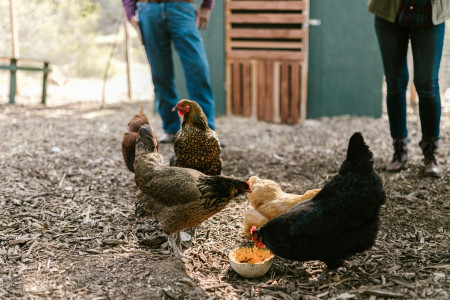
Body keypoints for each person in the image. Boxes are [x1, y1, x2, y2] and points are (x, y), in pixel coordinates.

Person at [368, 0, 450, 177]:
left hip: (430, 13)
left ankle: (431, 153)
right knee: (395, 82)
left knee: (427, 83)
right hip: (390, 12)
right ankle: (399, 150)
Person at [122, 0, 216, 143]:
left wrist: (207, 6)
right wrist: (130, 11)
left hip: (182, 7)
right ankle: (171, 129)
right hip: (148, 9)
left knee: (198, 70)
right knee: (160, 74)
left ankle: (204, 131)